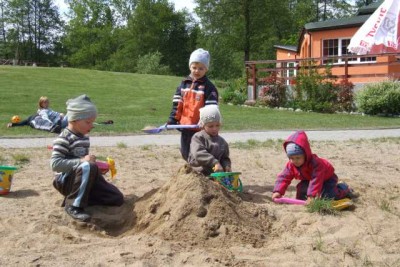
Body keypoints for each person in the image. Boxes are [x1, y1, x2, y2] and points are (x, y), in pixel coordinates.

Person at [50, 95, 124, 222]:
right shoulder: (64, 138)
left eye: (92, 122)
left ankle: (83, 198)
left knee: (116, 198)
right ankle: (73, 205)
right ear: (74, 120)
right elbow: (55, 164)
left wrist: (96, 168)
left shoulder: (83, 137)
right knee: (87, 166)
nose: (92, 125)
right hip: (65, 181)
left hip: (81, 177)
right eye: (88, 122)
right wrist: (83, 162)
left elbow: (84, 164)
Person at [272, 130, 356, 204]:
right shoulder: (291, 165)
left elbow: (316, 179)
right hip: (308, 178)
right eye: (291, 158)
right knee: (301, 189)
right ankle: (304, 200)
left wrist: (311, 196)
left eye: (298, 158)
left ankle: (344, 188)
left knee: (330, 195)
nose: (295, 161)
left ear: (305, 155)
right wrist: (278, 191)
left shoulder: (316, 163)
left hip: (327, 178)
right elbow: (284, 177)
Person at [167, 48, 219, 161]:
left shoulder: (209, 87)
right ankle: (192, 170)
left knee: (199, 152)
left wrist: (206, 121)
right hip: (185, 126)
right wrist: (172, 119)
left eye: (201, 68)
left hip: (200, 128)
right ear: (190, 67)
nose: (197, 71)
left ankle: (204, 172)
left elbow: (211, 108)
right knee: (186, 153)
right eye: (194, 67)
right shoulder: (183, 85)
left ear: (206, 69)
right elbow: (177, 105)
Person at [188, 105, 231, 176]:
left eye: (217, 125)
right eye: (210, 126)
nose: (214, 129)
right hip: (198, 172)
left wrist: (227, 166)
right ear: (203, 125)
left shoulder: (222, 142)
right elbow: (198, 153)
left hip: (215, 173)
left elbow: (224, 158)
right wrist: (215, 162)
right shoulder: (198, 137)